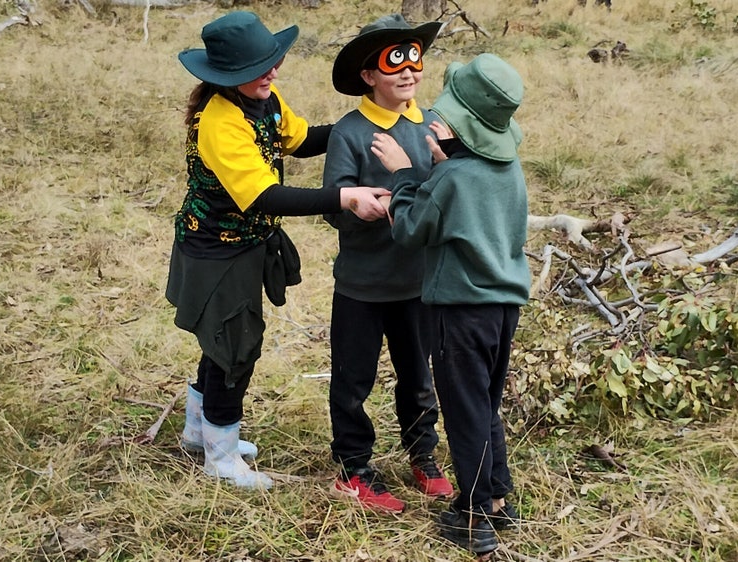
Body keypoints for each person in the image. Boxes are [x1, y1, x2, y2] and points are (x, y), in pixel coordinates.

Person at [167, 11, 390, 491]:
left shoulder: (264, 100)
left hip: (245, 244)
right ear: (228, 76)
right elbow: (264, 196)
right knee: (234, 347)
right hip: (214, 249)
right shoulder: (220, 122)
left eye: (273, 60)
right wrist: (343, 197)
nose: (274, 71)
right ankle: (221, 456)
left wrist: (361, 122)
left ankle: (198, 430)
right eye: (260, 66)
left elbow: (303, 140)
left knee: (223, 342)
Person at [371, 53, 531, 554]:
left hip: (459, 312)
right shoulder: (506, 171)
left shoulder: (450, 179)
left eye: (444, 117)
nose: (434, 121)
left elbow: (412, 230)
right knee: (484, 405)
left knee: (463, 412)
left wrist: (401, 175)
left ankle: (474, 515)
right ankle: (498, 498)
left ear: (458, 128)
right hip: (503, 308)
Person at [322, 14, 453, 514]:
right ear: (368, 75)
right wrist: (360, 208)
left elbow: (449, 194)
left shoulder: (433, 125)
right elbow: (337, 205)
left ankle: (423, 454)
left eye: (414, 58)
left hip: (418, 281)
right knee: (353, 380)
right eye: (394, 61)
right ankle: (354, 468)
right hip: (361, 283)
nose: (408, 71)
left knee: (419, 374)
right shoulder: (350, 133)